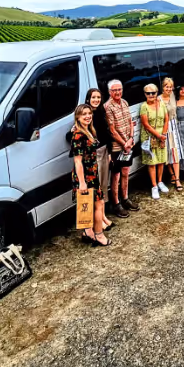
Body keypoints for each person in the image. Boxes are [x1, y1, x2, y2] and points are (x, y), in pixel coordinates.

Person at [69, 104, 110, 247]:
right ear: (77, 117)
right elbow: (77, 162)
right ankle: (98, 234)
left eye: (89, 113)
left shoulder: (88, 130)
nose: (87, 116)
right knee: (99, 204)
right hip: (86, 177)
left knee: (95, 204)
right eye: (83, 114)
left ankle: (89, 232)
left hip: (92, 173)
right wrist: (82, 183)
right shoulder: (78, 135)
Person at [104, 80, 139, 218]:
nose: (117, 92)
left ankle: (125, 199)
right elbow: (112, 130)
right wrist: (125, 143)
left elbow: (130, 122)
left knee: (126, 172)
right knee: (116, 175)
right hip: (117, 147)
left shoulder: (124, 102)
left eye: (119, 89)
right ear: (109, 92)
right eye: (114, 90)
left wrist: (131, 138)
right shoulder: (108, 107)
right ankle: (116, 203)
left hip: (128, 144)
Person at [84, 88, 114, 231]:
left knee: (102, 185)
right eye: (93, 97)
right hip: (93, 154)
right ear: (88, 99)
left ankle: (102, 216)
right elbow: (75, 132)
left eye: (98, 97)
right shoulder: (86, 115)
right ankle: (96, 221)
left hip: (103, 151)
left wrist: (109, 152)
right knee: (95, 188)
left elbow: (106, 133)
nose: (96, 100)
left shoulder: (101, 112)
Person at [140, 83, 169, 199]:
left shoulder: (161, 104)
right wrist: (159, 136)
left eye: (153, 93)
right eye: (148, 93)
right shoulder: (144, 106)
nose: (151, 95)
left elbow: (166, 119)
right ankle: (154, 186)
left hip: (161, 135)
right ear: (145, 94)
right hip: (149, 137)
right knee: (152, 162)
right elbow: (146, 125)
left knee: (161, 160)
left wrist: (164, 134)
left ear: (157, 93)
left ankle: (160, 181)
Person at [160, 78, 183, 190]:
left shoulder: (173, 95)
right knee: (167, 153)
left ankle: (177, 179)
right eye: (166, 86)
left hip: (174, 126)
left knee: (175, 152)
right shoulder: (158, 99)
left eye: (170, 87)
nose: (168, 89)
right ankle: (171, 174)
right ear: (163, 87)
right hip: (164, 127)